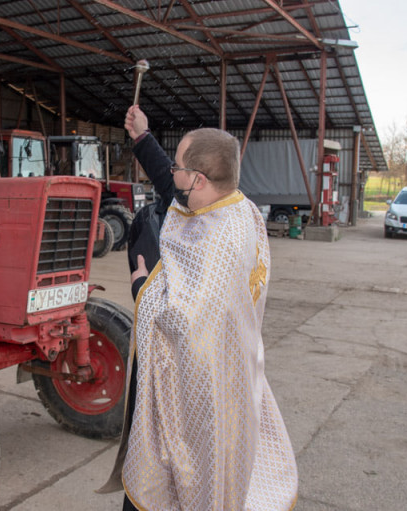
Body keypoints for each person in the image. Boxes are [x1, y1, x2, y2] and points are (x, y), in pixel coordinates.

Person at [99, 105, 298, 510]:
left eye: (178, 167)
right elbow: (172, 189)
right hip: (233, 368)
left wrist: (143, 289)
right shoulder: (234, 208)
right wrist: (142, 136)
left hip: (201, 389)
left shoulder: (218, 244)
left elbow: (184, 324)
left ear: (200, 179)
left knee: (186, 475)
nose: (171, 174)